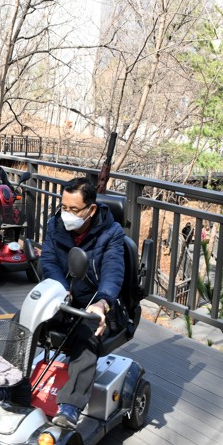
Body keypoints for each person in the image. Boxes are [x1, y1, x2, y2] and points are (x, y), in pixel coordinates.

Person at [38, 176, 126, 429]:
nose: (67, 214)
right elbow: (49, 262)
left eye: (74, 210)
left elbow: (113, 272)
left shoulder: (112, 233)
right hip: (62, 297)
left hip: (92, 304)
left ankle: (69, 406)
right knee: (23, 320)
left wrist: (101, 304)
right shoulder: (55, 225)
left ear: (91, 209)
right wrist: (61, 291)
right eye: (64, 207)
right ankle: (7, 382)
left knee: (86, 337)